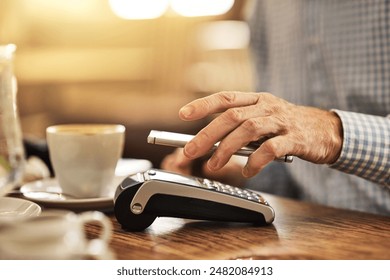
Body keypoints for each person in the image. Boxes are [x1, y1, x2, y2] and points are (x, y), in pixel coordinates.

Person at [162, 0, 390, 215]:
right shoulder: (265, 7)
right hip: (307, 230)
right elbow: (292, 162)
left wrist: (333, 134)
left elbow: (311, 132)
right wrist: (236, 174)